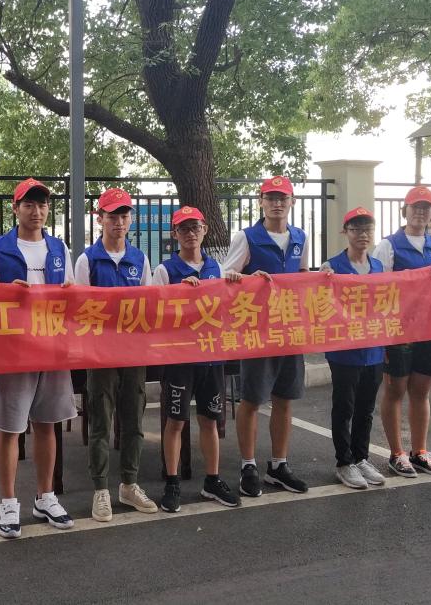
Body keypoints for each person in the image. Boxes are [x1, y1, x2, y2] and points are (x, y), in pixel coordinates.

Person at [0, 178, 77, 538]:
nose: (36, 211)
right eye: (29, 204)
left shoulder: (58, 248)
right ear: (15, 208)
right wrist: (6, 293)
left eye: (42, 204)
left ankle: (45, 496)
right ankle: (8, 502)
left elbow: (70, 296)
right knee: (10, 428)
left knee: (47, 425)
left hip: (51, 349)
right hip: (13, 351)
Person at [221, 176, 310, 497]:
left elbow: (303, 277)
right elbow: (225, 277)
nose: (277, 203)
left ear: (292, 202)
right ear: (261, 202)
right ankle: (248, 465)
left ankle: (278, 465)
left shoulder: (300, 237)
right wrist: (245, 279)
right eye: (271, 198)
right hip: (256, 331)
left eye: (282, 198)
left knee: (284, 398)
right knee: (251, 399)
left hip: (289, 329)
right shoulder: (247, 238)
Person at [75, 188, 158, 521]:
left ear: (130, 219)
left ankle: (129, 484)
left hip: (133, 353)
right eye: (112, 216)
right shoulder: (87, 260)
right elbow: (78, 310)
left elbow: (150, 305)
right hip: (100, 355)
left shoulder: (140, 259)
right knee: (100, 422)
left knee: (134, 420)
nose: (119, 222)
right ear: (100, 219)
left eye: (124, 216)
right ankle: (100, 490)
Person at [153, 205, 243, 512]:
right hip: (179, 359)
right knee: (175, 422)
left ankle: (212, 480)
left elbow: (232, 301)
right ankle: (172, 482)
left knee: (210, 420)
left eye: (195, 227)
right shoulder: (165, 271)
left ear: (205, 230)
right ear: (175, 234)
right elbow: (153, 312)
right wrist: (178, 294)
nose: (190, 233)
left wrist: (248, 281)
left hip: (211, 357)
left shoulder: (217, 269)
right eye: (183, 228)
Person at [372, 186, 431, 478]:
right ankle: (396, 453)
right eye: (415, 207)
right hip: (399, 331)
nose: (420, 212)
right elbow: (376, 288)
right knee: (395, 390)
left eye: (426, 208)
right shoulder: (389, 246)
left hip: (430, 329)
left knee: (421, 391)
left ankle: (419, 451)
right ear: (404, 211)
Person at [319, 208, 387, 490]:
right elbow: (319, 303)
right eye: (356, 229)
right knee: (344, 407)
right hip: (344, 351)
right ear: (345, 232)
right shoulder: (332, 267)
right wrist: (323, 281)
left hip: (374, 349)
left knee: (366, 408)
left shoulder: (379, 267)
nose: (363, 234)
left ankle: (361, 458)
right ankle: (344, 462)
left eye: (367, 229)